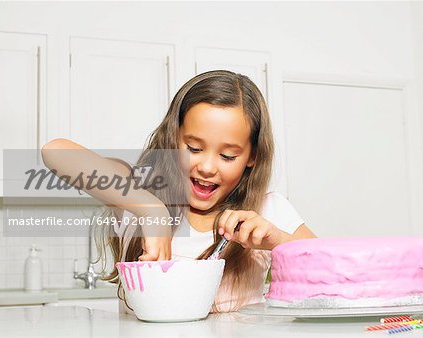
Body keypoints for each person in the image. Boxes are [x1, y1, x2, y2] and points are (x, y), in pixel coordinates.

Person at [41, 70, 316, 314]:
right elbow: (54, 151)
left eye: (228, 155)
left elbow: (337, 277)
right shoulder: (134, 191)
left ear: (252, 157)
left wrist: (279, 242)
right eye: (194, 148)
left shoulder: (268, 210)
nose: (207, 167)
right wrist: (151, 210)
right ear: (174, 138)